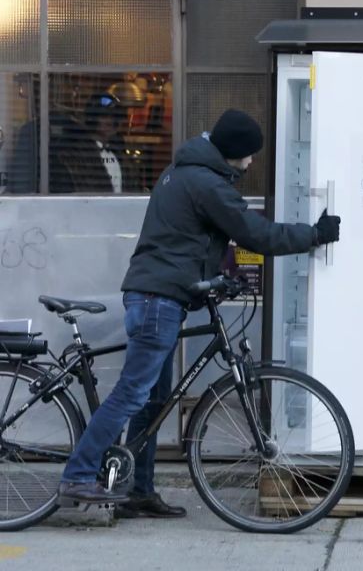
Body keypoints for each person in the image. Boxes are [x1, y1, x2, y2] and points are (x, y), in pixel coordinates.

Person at [57, 109, 341, 517]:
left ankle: (138, 491)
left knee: (153, 401)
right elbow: (254, 234)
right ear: (235, 152)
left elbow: (186, 239)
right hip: (159, 300)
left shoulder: (184, 170)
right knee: (133, 394)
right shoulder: (206, 183)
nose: (252, 161)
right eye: (250, 154)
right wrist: (313, 234)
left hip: (157, 295)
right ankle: (79, 474)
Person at [49, 92, 137, 193]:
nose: (110, 122)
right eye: (104, 116)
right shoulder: (72, 156)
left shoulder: (121, 157)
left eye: (114, 117)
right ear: (92, 118)